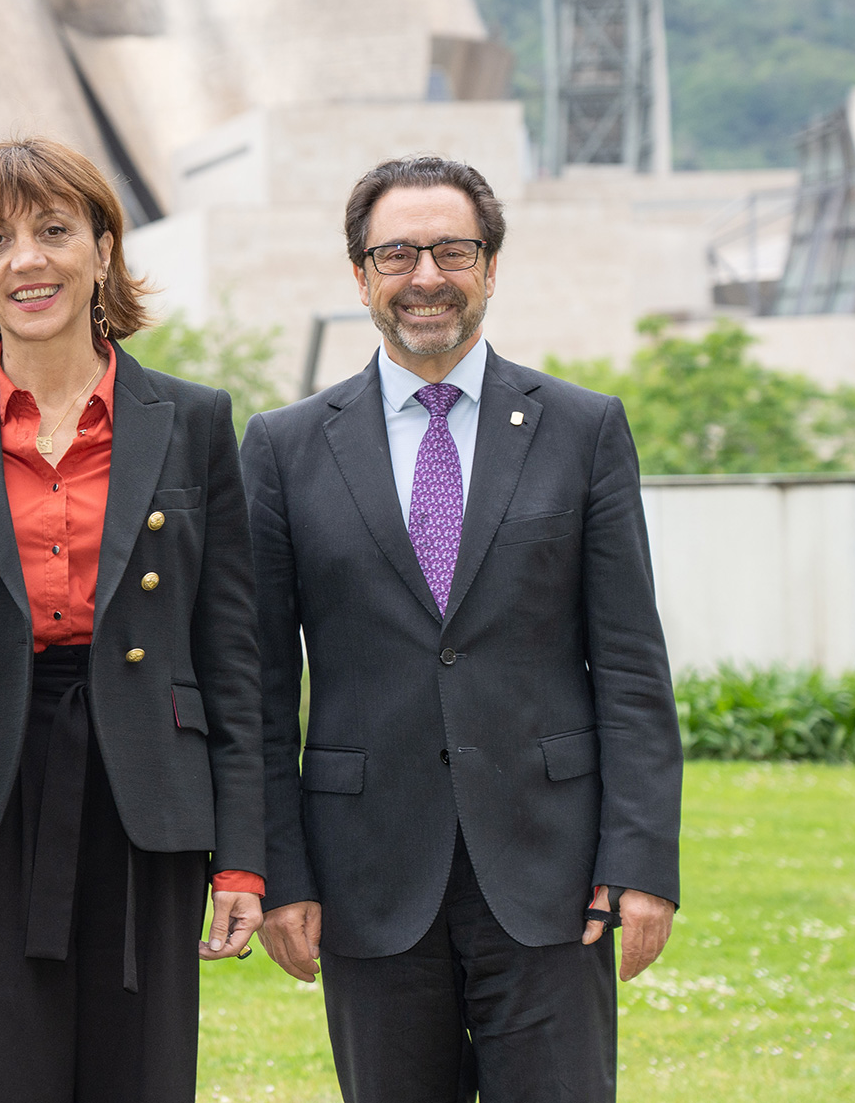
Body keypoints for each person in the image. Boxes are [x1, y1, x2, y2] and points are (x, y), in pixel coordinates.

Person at [243, 156, 682, 1102]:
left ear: (490, 267)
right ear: (359, 274)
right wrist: (280, 871)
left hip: (555, 878)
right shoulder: (283, 449)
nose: (426, 276)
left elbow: (632, 668)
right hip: (366, 877)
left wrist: (641, 862)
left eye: (453, 250)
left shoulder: (583, 430)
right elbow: (261, 689)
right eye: (397, 254)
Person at [0, 138, 266, 1102]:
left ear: (103, 249)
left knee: (135, 1076)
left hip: (142, 792)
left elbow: (231, 657)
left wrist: (243, 860)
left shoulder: (193, 419)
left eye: (53, 231)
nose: (26, 261)